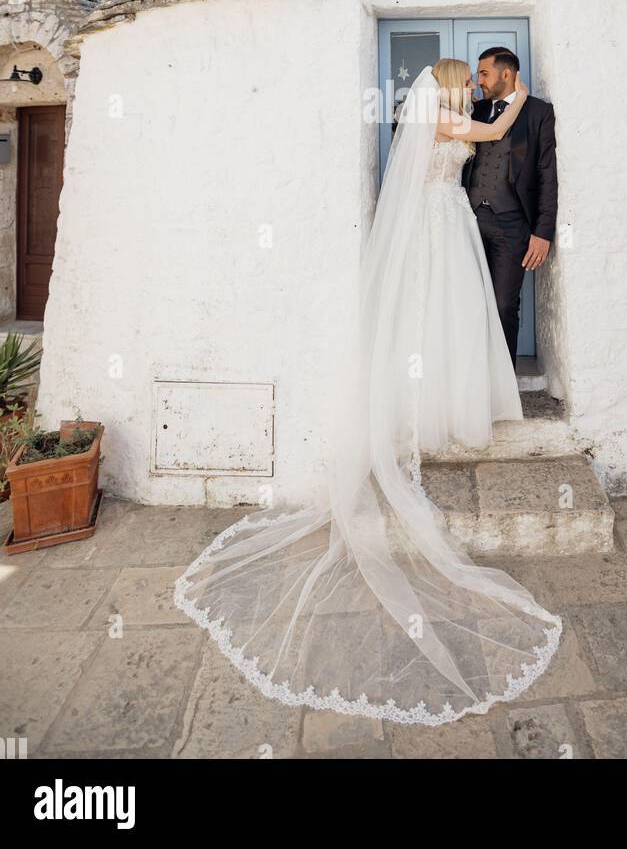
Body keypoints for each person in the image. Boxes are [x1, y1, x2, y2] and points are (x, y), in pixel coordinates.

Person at [174, 62, 563, 726]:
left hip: (448, 223)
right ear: (443, 89)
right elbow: (495, 126)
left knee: (445, 315)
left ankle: (444, 395)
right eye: (462, 79)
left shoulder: (431, 118)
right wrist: (518, 92)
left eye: (478, 78)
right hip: (443, 225)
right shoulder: (440, 119)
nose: (471, 85)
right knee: (436, 313)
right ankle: (434, 402)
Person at [463, 47, 558, 365]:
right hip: (468, 220)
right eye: (476, 75)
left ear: (507, 74)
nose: (479, 82)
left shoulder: (537, 113)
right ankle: (471, 379)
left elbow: (547, 174)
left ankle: (502, 384)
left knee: (504, 304)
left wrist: (543, 231)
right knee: (469, 302)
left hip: (512, 225)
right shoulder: (473, 111)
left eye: (484, 73)